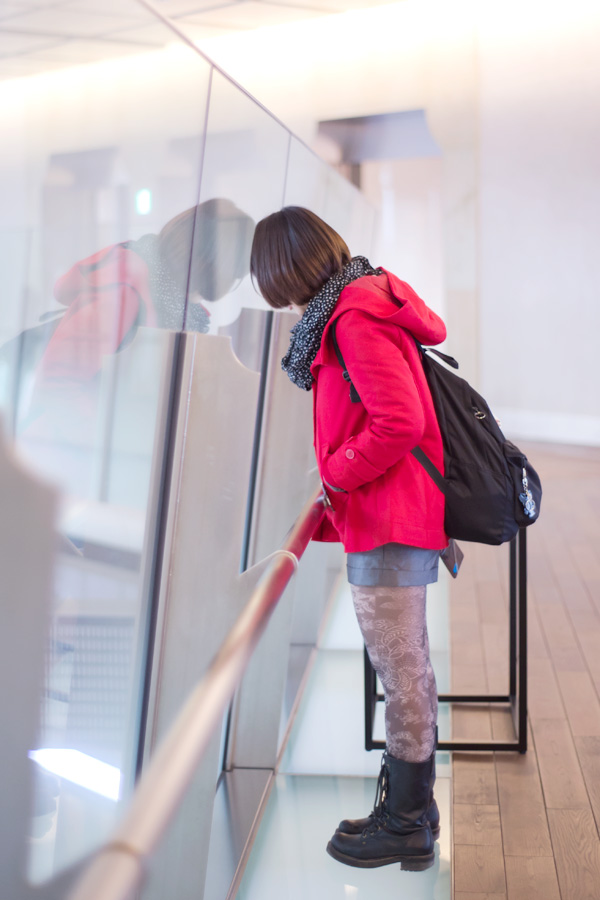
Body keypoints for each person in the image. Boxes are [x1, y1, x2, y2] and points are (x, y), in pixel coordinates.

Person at [250, 206, 447, 873]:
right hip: (390, 514)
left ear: (286, 269)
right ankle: (414, 811)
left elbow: (398, 422)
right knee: (407, 665)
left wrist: (336, 471)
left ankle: (407, 821)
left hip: (389, 519)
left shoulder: (354, 318)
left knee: (400, 670)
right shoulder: (362, 301)